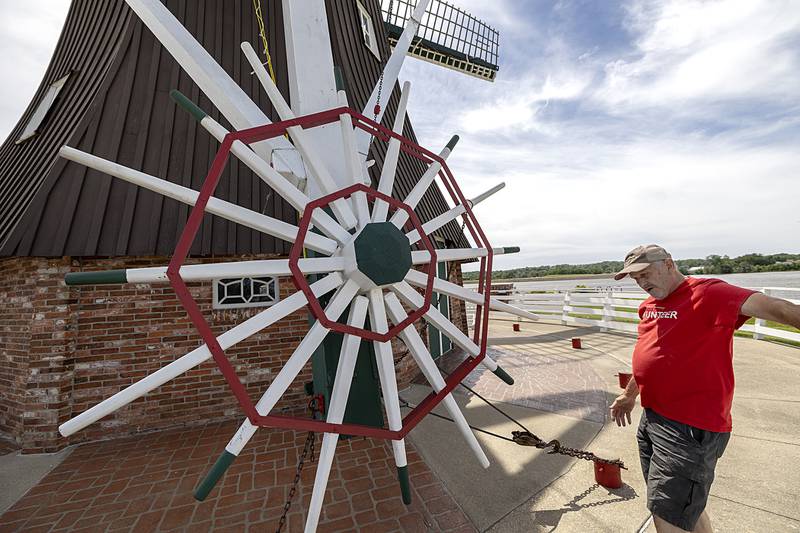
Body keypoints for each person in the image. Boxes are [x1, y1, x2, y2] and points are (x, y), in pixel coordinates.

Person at [608, 244, 800, 533]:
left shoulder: (709, 293)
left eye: (645, 273)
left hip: (689, 428)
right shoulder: (648, 307)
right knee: (684, 508)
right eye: (636, 279)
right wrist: (629, 394)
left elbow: (781, 310)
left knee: (667, 515)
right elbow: (652, 354)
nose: (642, 282)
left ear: (669, 264)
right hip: (653, 419)